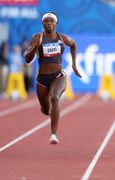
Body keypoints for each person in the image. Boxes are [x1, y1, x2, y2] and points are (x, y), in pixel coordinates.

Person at [24, 12, 82, 144]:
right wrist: (35, 46)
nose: (49, 23)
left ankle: (53, 135)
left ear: (56, 23)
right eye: (46, 21)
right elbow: (27, 59)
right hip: (42, 79)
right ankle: (50, 112)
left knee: (55, 97)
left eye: (51, 21)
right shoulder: (37, 37)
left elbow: (73, 45)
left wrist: (73, 64)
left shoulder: (62, 38)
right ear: (42, 23)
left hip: (58, 76)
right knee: (45, 110)